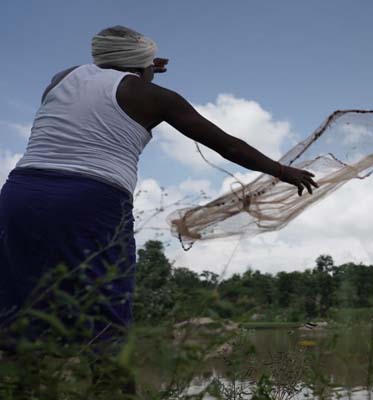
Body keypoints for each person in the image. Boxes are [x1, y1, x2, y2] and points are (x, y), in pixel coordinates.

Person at [0, 26, 317, 354]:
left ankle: (17, 378)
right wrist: (281, 170)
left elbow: (98, 85)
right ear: (142, 66)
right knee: (107, 301)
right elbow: (230, 147)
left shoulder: (61, 78)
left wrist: (140, 68)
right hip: (90, 198)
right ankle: (111, 384)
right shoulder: (157, 98)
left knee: (19, 292)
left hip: (20, 192)